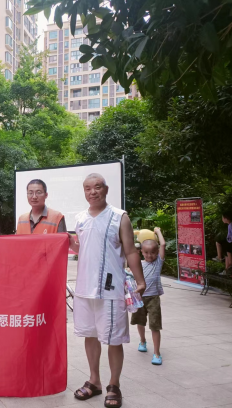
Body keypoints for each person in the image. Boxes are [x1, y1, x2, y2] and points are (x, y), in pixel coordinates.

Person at [69, 173, 146, 408]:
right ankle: (94, 381)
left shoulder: (119, 217)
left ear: (106, 189)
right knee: (90, 335)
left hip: (110, 289)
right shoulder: (80, 218)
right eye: (88, 188)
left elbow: (130, 251)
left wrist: (140, 281)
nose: (93, 192)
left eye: (97, 187)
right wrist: (66, 241)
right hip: (84, 289)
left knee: (114, 339)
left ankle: (114, 385)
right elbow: (82, 248)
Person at [131, 227, 165, 366]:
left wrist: (158, 231)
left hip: (153, 299)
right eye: (146, 252)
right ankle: (142, 341)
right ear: (141, 252)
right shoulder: (138, 264)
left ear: (157, 253)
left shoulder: (158, 263)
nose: (149, 255)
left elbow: (163, 244)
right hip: (139, 297)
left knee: (155, 326)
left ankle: (157, 353)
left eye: (153, 252)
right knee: (140, 322)